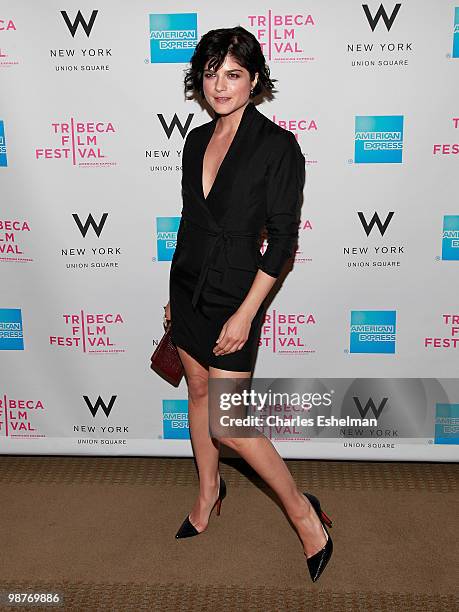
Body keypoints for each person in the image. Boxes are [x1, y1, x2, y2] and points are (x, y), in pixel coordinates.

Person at [164, 26, 333, 583]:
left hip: (237, 290)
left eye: (232, 73)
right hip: (187, 284)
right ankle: (210, 490)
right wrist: (173, 297)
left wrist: (245, 313)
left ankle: (305, 515)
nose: (219, 84)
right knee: (196, 390)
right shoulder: (194, 140)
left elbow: (282, 241)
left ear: (254, 79)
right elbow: (192, 222)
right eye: (211, 72)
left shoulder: (278, 146)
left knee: (231, 423)